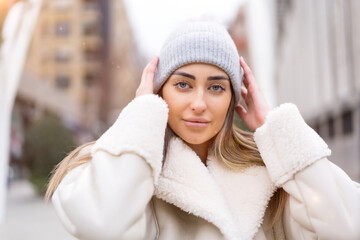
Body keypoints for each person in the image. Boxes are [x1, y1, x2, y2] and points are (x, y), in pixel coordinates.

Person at [46, 21, 360, 240]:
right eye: (183, 84)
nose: (199, 103)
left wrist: (276, 129)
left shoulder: (269, 173)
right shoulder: (108, 168)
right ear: (157, 92)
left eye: (216, 87)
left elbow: (347, 227)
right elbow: (105, 226)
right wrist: (142, 116)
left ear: (235, 97)